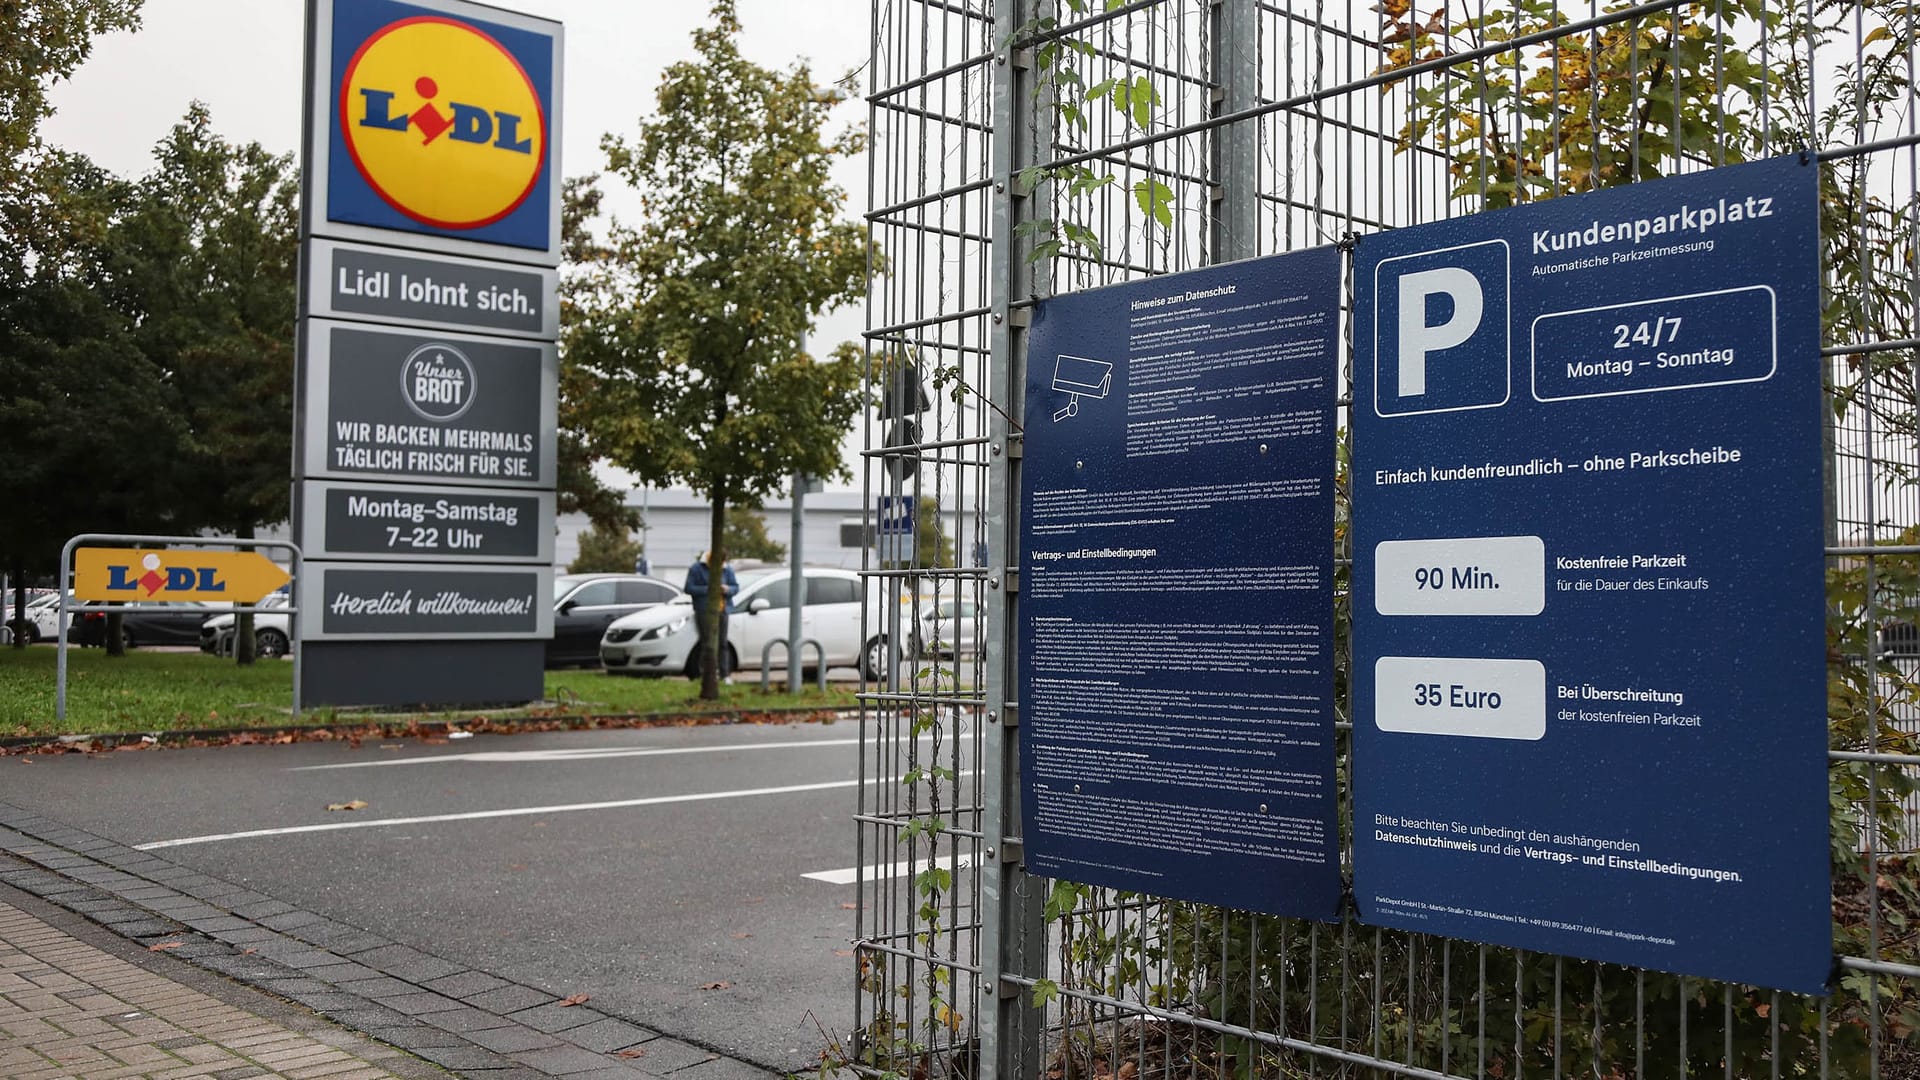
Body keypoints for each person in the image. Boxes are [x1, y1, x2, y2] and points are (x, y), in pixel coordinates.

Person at [683, 551, 739, 680]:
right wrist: (709, 589)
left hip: (722, 609)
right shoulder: (696, 568)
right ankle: (705, 673)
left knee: (723, 643)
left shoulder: (727, 569)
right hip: (704, 610)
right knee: (706, 642)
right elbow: (689, 588)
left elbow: (735, 587)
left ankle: (725, 675)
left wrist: (727, 589)